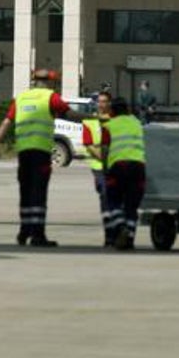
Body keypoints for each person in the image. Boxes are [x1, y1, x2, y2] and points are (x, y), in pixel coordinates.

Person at [0, 68, 86, 247]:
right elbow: (70, 115)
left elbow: (5, 123)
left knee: (25, 194)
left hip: (24, 154)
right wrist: (93, 117)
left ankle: (24, 232)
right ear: (49, 82)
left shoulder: (21, 99)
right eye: (54, 83)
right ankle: (38, 235)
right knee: (39, 194)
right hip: (40, 154)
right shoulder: (50, 97)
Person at [100, 97, 146, 251]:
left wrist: (105, 168)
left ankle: (120, 227)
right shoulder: (137, 124)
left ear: (112, 111)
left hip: (118, 167)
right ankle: (130, 240)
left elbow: (105, 150)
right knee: (132, 206)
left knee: (113, 200)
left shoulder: (109, 126)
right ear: (127, 109)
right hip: (138, 167)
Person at [80, 90, 113, 245]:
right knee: (105, 197)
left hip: (116, 165)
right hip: (99, 166)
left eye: (105, 101)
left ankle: (117, 231)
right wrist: (105, 159)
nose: (102, 104)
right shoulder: (89, 122)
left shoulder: (115, 120)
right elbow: (89, 145)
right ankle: (109, 234)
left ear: (110, 103)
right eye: (99, 101)